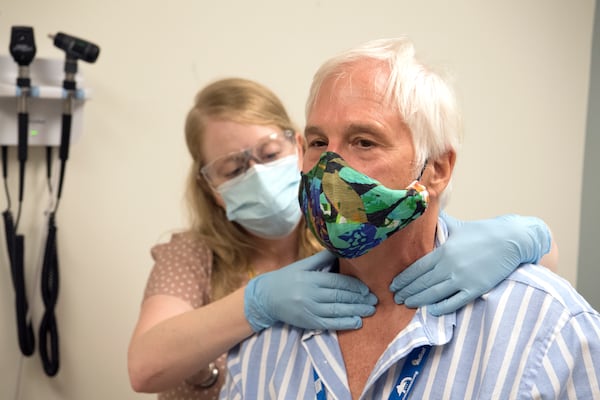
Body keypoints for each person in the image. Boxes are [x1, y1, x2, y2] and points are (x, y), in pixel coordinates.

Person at [128, 78, 557, 400]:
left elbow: (514, 282)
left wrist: (532, 237)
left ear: (297, 149)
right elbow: (146, 368)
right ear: (211, 190)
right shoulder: (191, 254)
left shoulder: (351, 230)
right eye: (232, 168)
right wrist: (255, 302)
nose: (256, 174)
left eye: (268, 153)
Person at [219, 38, 600, 399]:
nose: (328, 170)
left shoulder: (546, 329)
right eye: (319, 143)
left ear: (436, 168)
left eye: (364, 142)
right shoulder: (264, 342)